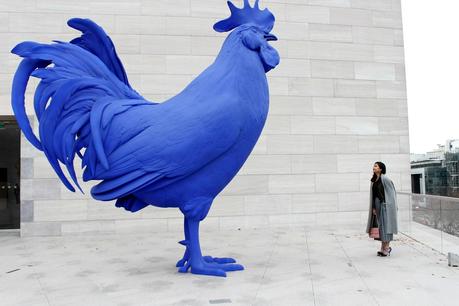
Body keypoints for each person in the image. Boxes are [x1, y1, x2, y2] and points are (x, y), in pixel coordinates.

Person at [366, 161, 398, 256]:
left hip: (385, 206)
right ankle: (383, 247)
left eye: (376, 166)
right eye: (374, 166)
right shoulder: (374, 180)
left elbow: (392, 194)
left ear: (380, 169)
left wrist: (388, 205)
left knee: (386, 226)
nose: (374, 167)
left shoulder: (386, 179)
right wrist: (374, 208)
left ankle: (386, 248)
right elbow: (374, 195)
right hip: (377, 205)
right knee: (381, 227)